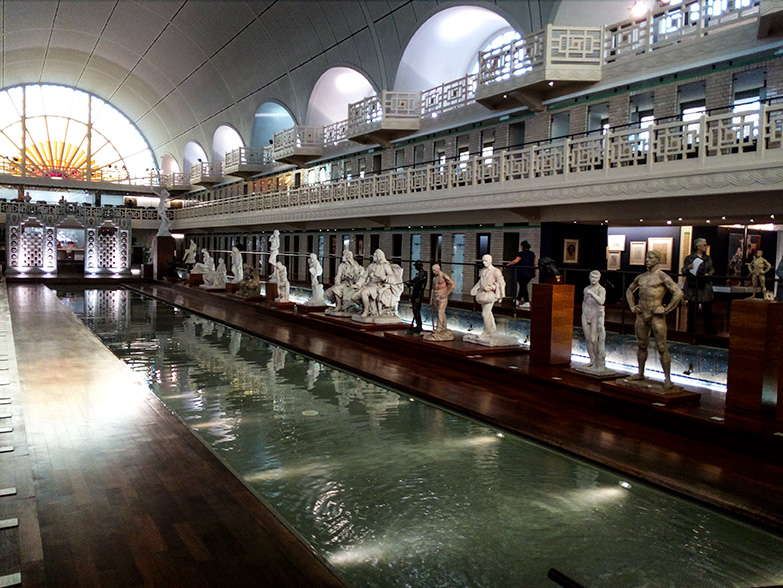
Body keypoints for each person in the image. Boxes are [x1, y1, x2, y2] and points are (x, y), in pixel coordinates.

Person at [625, 250, 683, 389]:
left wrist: (666, 309)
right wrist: (632, 306)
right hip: (642, 314)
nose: (646, 260)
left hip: (656, 315)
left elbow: (678, 293)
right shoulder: (641, 277)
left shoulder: (662, 276)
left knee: (662, 347)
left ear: (657, 260)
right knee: (641, 345)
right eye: (646, 257)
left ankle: (667, 379)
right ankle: (640, 373)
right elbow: (629, 290)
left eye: (650, 258)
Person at [353, 249, 404, 318]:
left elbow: (391, 277)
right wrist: (358, 284)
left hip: (377, 286)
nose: (373, 257)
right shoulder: (371, 266)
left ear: (379, 257)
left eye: (375, 255)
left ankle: (366, 310)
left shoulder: (385, 266)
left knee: (364, 293)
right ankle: (367, 307)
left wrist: (384, 278)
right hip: (369, 285)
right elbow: (364, 277)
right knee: (354, 297)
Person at [681, 238, 715, 335]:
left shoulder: (708, 258)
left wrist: (709, 274)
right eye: (704, 245)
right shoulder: (689, 258)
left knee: (707, 309)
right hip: (693, 286)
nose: (706, 247)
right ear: (698, 246)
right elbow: (683, 270)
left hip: (705, 286)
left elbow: (712, 269)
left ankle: (709, 329)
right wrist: (688, 268)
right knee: (692, 309)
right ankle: (691, 329)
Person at [470, 254, 506, 338]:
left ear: (490, 261)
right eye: (483, 261)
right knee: (488, 313)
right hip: (482, 294)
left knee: (485, 314)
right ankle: (492, 330)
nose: (484, 262)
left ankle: (487, 332)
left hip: (490, 295)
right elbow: (480, 281)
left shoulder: (495, 271)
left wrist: (491, 287)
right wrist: (475, 288)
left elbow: (501, 283)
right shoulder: (483, 270)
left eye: (485, 261)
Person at [325, 249, 365, 314]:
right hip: (345, 282)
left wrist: (353, 266)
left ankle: (349, 307)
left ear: (348, 257)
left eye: (344, 255)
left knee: (348, 292)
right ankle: (338, 306)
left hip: (353, 284)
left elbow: (358, 275)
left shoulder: (355, 265)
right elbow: (339, 275)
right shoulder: (341, 266)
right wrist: (337, 281)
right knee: (336, 288)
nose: (342, 257)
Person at [581, 270, 607, 370]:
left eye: (596, 278)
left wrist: (592, 293)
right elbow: (584, 301)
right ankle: (591, 359)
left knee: (593, 339)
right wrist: (584, 313)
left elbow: (601, 301)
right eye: (592, 277)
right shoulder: (586, 289)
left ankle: (598, 361)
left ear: (599, 278)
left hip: (595, 315)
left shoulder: (601, 289)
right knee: (587, 339)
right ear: (589, 277)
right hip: (586, 314)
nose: (593, 279)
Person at [424, 264, 456, 342]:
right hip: (436, 297)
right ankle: (443, 327)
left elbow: (453, 285)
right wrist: (431, 299)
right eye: (433, 271)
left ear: (439, 269)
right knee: (441, 313)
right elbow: (432, 289)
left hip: (442, 297)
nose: (434, 272)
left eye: (435, 270)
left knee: (440, 312)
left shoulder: (444, 276)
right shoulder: (434, 278)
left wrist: (446, 293)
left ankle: (439, 328)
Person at [505, 240, 536, 308]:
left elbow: (516, 261)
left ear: (522, 246)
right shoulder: (532, 254)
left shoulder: (521, 254)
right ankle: (518, 299)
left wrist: (508, 264)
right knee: (523, 286)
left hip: (522, 272)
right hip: (530, 272)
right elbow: (534, 263)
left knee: (523, 286)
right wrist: (534, 272)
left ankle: (527, 301)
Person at [404, 260, 428, 334]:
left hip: (419, 294)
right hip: (415, 293)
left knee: (416, 309)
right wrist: (409, 283)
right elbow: (414, 281)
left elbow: (416, 281)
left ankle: (419, 326)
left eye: (416, 266)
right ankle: (418, 325)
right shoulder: (418, 274)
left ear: (419, 266)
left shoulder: (423, 273)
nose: (415, 268)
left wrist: (411, 283)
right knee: (415, 310)